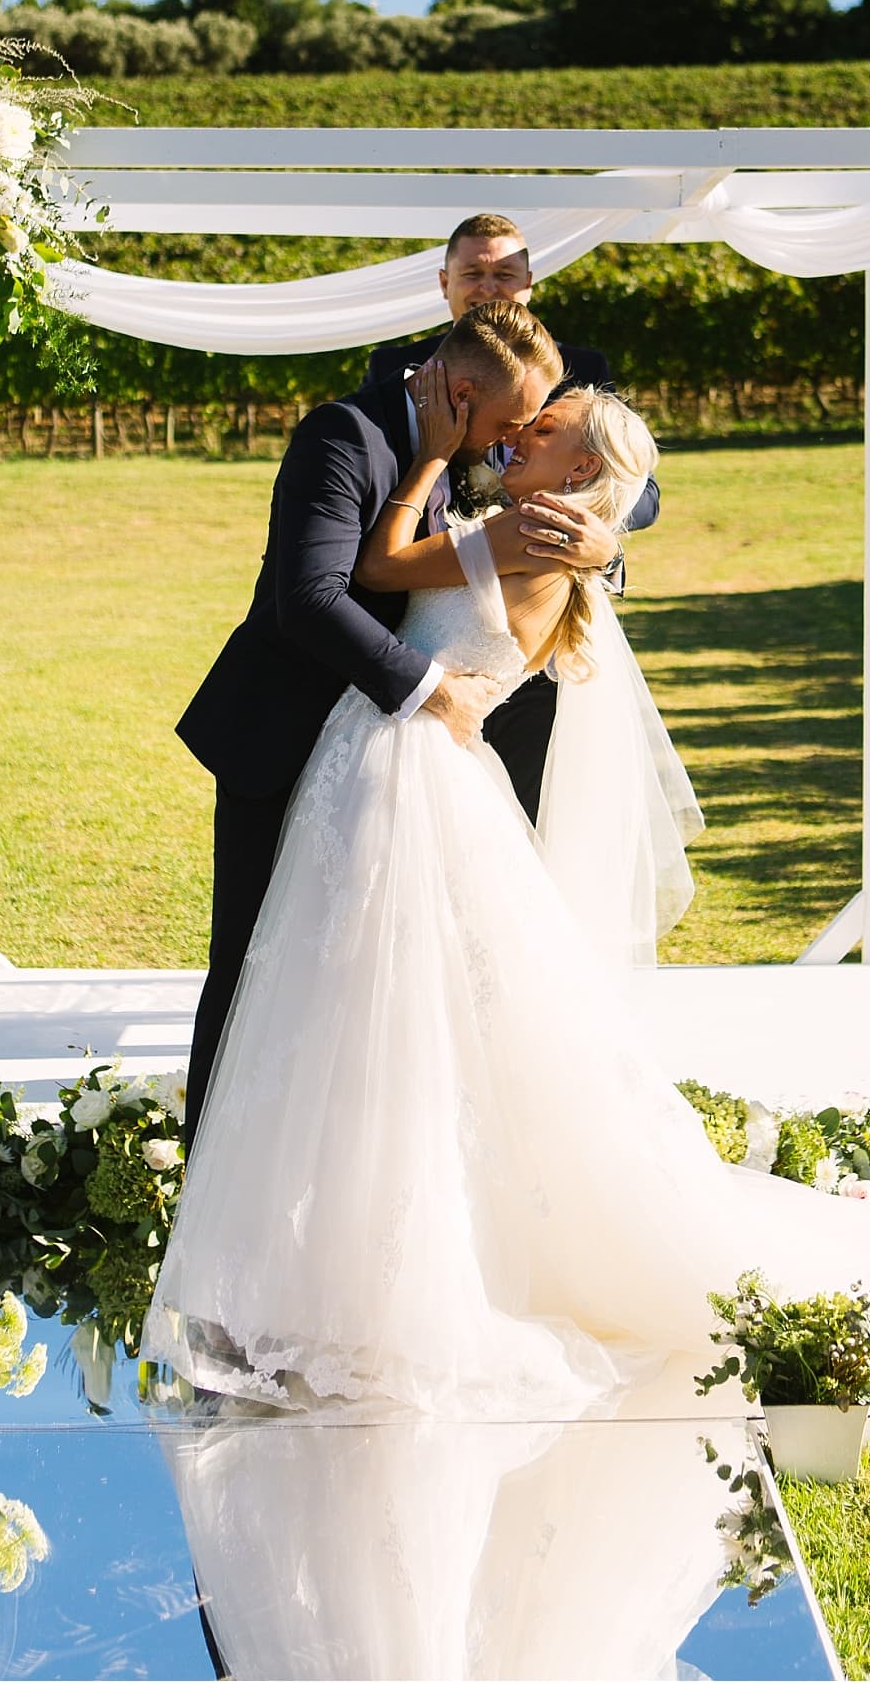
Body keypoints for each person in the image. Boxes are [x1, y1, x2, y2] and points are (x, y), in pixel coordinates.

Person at [144, 372, 870, 1416]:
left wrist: (429, 455)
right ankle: (346, 1256)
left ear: (582, 466)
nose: (514, 437)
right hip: (405, 771)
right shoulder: (546, 534)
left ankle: (365, 1268)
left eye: (541, 430)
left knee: (394, 1018)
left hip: (413, 773)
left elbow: (382, 561)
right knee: (396, 1019)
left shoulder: (531, 534)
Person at [172, 300, 613, 1158]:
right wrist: (430, 689)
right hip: (287, 736)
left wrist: (606, 554)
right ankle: (212, 1180)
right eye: (510, 419)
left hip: (381, 762)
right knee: (250, 966)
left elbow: (533, 526)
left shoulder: (459, 452)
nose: (512, 439)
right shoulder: (346, 435)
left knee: (365, 987)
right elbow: (309, 599)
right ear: (457, 390)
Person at [364, 210, 659, 824]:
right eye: (473, 272)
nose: (489, 286)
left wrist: (603, 547)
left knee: (520, 819)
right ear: (443, 281)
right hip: (427, 635)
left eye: (506, 273)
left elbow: (640, 489)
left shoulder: (580, 371)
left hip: (533, 652)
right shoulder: (396, 369)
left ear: (529, 282)